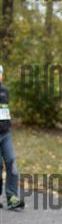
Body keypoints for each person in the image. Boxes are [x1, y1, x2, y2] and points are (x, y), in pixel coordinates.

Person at [0, 64, 24, 210]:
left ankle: (12, 197)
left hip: (5, 133)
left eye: (0, 73)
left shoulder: (5, 90)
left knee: (11, 163)